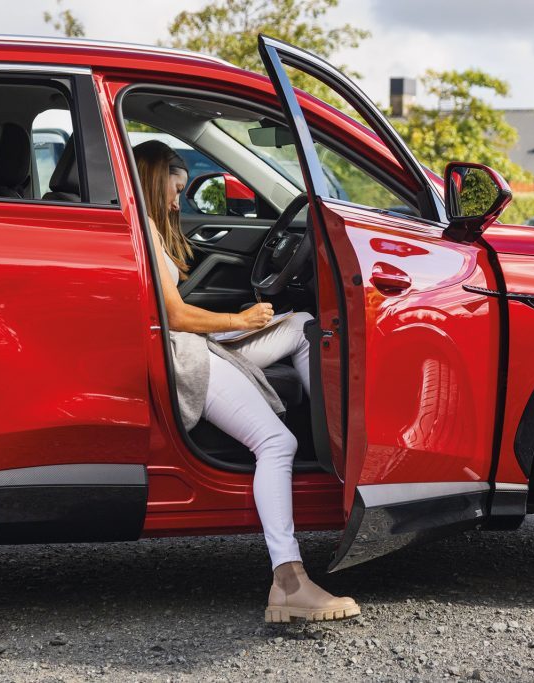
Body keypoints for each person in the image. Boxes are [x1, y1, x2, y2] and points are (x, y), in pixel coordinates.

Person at [132, 140, 359, 623]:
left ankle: (337, 448)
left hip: (196, 345)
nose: (179, 201)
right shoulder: (143, 229)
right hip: (184, 355)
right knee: (276, 443)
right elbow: (172, 316)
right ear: (154, 179)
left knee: (300, 325)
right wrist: (239, 319)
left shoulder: (150, 225)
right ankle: (288, 581)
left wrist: (242, 324)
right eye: (174, 190)